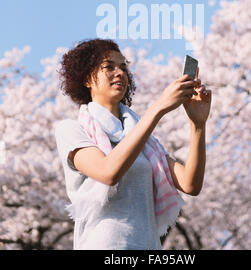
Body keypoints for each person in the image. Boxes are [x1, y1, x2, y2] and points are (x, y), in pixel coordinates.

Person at [54, 38, 212, 250]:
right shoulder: (72, 130)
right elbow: (108, 172)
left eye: (123, 67)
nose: (120, 73)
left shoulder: (144, 140)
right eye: (109, 67)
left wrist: (198, 124)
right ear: (87, 79)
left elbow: (190, 184)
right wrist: (158, 108)